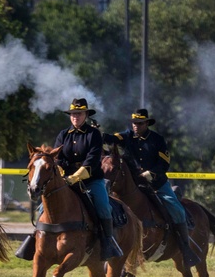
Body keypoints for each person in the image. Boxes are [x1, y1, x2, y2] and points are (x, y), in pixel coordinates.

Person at [103, 108, 200, 267]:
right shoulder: (127, 136)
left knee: (177, 209)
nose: (136, 126)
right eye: (134, 123)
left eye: (139, 123)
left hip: (156, 184)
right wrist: (96, 131)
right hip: (135, 184)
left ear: (147, 123)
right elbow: (110, 139)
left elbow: (164, 163)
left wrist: (151, 173)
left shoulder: (157, 139)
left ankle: (185, 249)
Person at [51, 98, 122, 259]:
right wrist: (62, 173)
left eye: (79, 113)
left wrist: (76, 176)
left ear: (85, 115)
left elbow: (93, 159)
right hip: (66, 180)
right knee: (44, 206)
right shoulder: (63, 135)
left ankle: (108, 243)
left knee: (103, 206)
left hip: (91, 180)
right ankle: (36, 236)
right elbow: (57, 157)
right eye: (73, 114)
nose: (75, 116)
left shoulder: (94, 134)